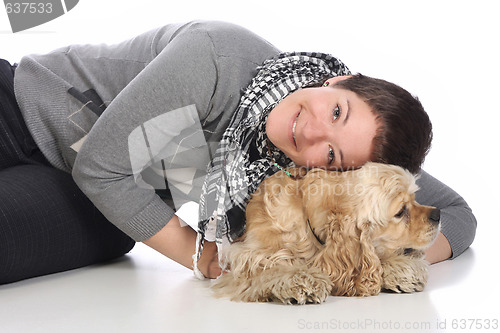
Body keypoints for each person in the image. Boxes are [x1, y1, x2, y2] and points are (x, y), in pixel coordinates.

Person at [0, 20, 476, 284]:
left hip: (108, 206)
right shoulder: (219, 56)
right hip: (19, 111)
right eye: (336, 112)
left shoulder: (334, 161)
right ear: (340, 81)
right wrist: (199, 254)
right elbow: (103, 167)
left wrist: (385, 261)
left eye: (332, 156)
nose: (311, 133)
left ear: (343, 172)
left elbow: (456, 215)